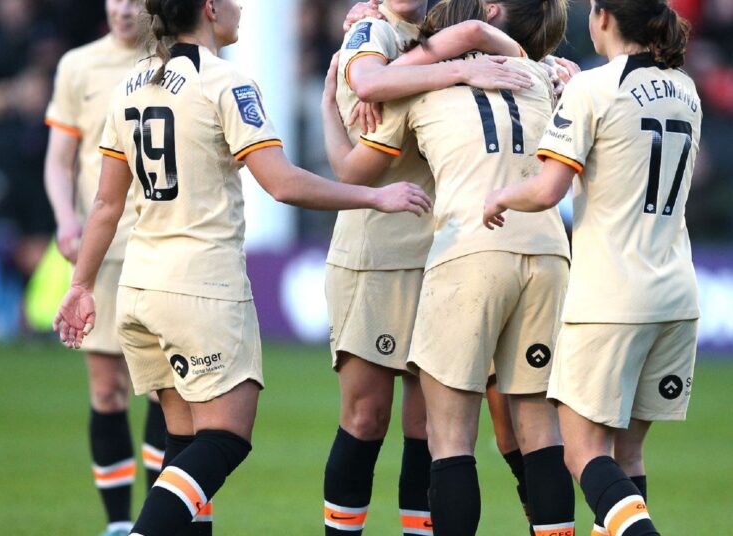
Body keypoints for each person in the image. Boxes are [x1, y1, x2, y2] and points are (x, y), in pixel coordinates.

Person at [53, 1, 432, 535]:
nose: (239, 10)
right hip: (200, 289)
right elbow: (283, 183)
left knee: (183, 450)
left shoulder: (132, 84)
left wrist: (81, 285)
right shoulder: (226, 82)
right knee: (225, 438)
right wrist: (373, 197)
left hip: (140, 289)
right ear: (209, 9)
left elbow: (106, 205)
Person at [323, 1, 577, 534]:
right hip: (392, 250)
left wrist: (536, 64)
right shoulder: (377, 30)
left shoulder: (451, 64)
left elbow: (353, 153)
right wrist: (482, 61)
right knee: (371, 418)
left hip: (459, 250)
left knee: (441, 433)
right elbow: (369, 84)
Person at [483, 1, 701, 535]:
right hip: (676, 294)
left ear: (602, 17)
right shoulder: (687, 89)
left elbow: (546, 190)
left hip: (610, 297)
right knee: (626, 459)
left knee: (582, 454)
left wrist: (500, 197)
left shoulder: (594, 89)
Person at [43, 2, 167, 535]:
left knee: (167, 391)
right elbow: (59, 158)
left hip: (161, 243)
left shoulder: (173, 61)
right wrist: (66, 217)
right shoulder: (78, 65)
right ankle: (119, 525)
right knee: (108, 389)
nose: (121, 7)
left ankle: (159, 519)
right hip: (104, 247)